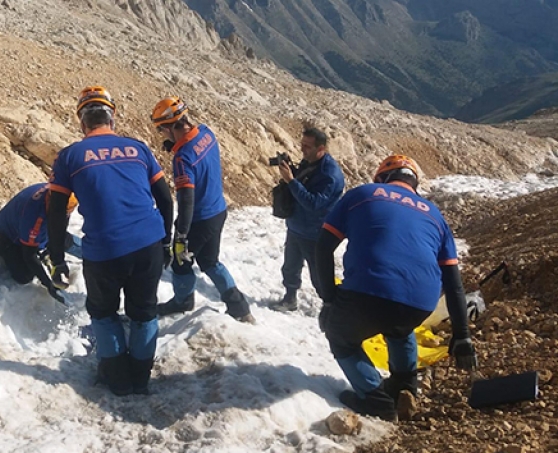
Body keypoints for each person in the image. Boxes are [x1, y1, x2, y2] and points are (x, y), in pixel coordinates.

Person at [316, 155, 478, 421]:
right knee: (401, 329)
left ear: (382, 178)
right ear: (414, 184)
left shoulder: (363, 194)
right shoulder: (434, 214)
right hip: (420, 302)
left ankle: (375, 399)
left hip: (366, 291)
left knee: (341, 336)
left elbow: (322, 247)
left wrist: (329, 299)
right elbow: (453, 281)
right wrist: (462, 336)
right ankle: (405, 388)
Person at [45, 86, 174, 396]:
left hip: (104, 250)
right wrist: (166, 241)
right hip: (148, 242)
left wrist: (57, 257)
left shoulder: (70, 156)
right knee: (143, 313)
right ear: (112, 118)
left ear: (82, 123)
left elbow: (55, 210)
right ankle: (140, 380)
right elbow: (165, 198)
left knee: (103, 312)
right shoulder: (138, 148)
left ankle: (117, 380)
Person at [150, 96, 255, 324]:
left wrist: (181, 236)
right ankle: (240, 308)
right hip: (218, 210)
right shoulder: (206, 133)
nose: (162, 135)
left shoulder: (182, 159)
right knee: (210, 262)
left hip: (199, 218)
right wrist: (176, 145)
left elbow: (186, 200)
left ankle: (183, 301)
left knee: (180, 262)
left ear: (169, 126)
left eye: (161, 130)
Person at [269, 127, 345, 312]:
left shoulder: (330, 175)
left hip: (315, 232)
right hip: (296, 226)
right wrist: (292, 170)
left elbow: (313, 203)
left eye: (307, 146)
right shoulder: (310, 162)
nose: (302, 149)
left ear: (321, 149)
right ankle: (290, 298)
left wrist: (291, 181)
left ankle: (332, 307)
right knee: (290, 266)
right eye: (302, 144)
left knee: (319, 275)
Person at [0, 183, 83, 305]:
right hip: (9, 237)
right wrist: (48, 285)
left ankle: (107, 259)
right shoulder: (33, 215)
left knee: (67, 242)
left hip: (41, 224)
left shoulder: (62, 193)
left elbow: (63, 221)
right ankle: (0, 245)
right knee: (24, 276)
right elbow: (29, 254)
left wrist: (54, 250)